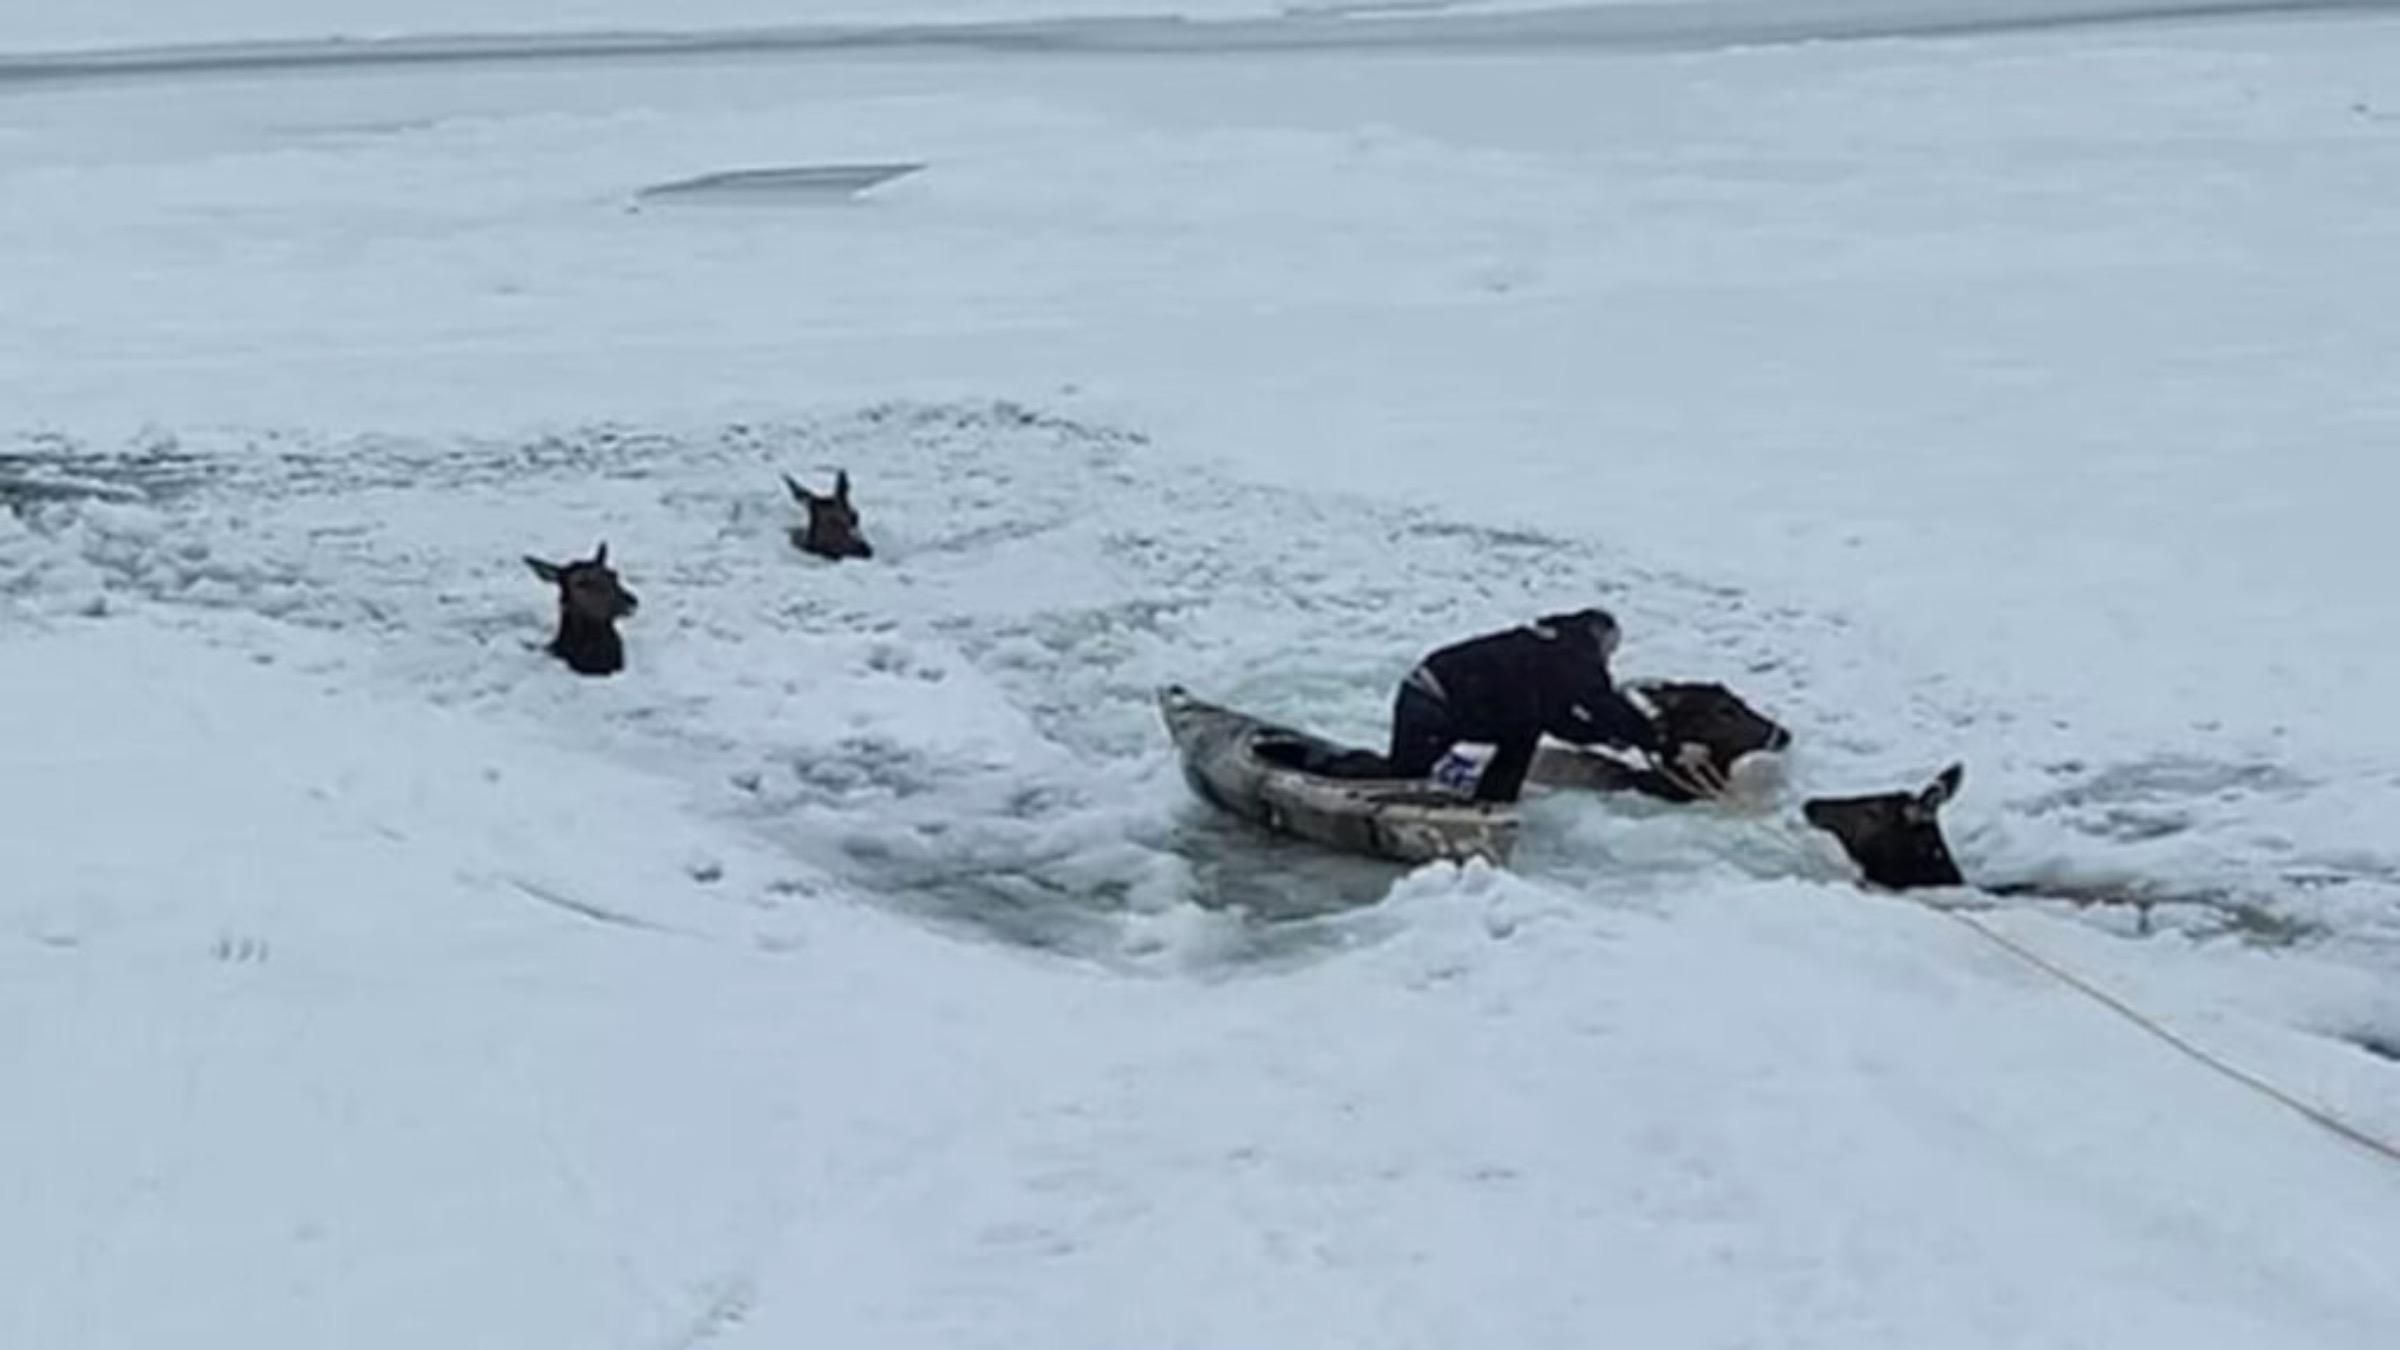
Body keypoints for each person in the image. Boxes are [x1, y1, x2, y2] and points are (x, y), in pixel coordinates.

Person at [1387, 607, 1708, 804]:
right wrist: (1655, 739)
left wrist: (1606, 739)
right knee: (1399, 780)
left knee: (1523, 729)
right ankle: (1338, 764)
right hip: (1433, 700)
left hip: (1431, 694)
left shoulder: (1548, 648)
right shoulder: (1573, 651)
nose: (1607, 660)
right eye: (1610, 651)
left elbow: (1558, 719)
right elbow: (1602, 703)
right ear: (1598, 635)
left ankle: (1495, 800)